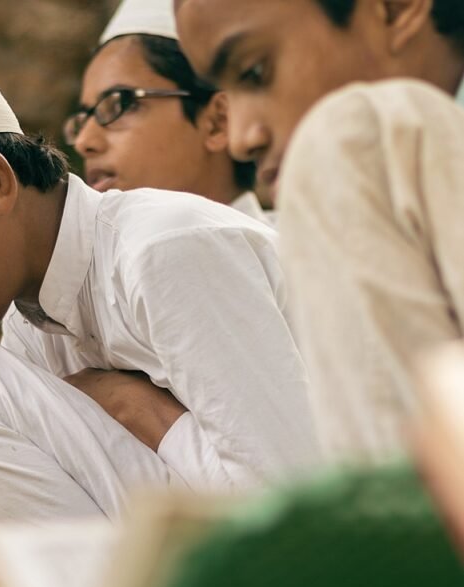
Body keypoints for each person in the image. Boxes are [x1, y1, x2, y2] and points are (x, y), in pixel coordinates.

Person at [0, 43, 317, 532]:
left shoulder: (164, 250)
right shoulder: (29, 328)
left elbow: (299, 517)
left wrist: (137, 409)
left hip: (321, 574)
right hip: (209, 572)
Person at [173, 0, 464, 463]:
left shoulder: (349, 140)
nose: (241, 138)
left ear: (395, 9)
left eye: (254, 72)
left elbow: (403, 482)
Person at [67, 0, 270, 222]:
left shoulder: (292, 242)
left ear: (218, 122)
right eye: (84, 119)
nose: (84, 142)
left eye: (121, 104)